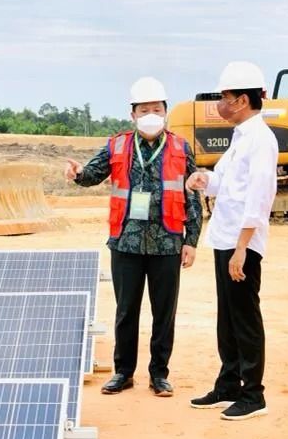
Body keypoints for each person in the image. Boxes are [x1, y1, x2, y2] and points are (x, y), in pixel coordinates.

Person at [65, 77, 202, 397]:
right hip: (126, 242)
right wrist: (78, 173)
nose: (151, 115)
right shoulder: (117, 145)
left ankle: (159, 374)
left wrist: (191, 240)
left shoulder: (180, 147)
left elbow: (193, 194)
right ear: (133, 114)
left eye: (157, 109)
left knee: (164, 313)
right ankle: (123, 372)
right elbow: (93, 174)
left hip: (167, 241)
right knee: (126, 311)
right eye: (144, 110)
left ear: (166, 112)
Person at [187, 61, 278, 421]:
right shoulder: (241, 137)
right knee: (227, 317)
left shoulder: (261, 140)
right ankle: (228, 385)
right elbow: (225, 182)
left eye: (225, 98)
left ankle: (253, 394)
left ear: (242, 100)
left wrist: (242, 247)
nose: (220, 105)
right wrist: (204, 180)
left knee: (244, 317)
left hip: (242, 242)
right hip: (225, 238)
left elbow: (259, 197)